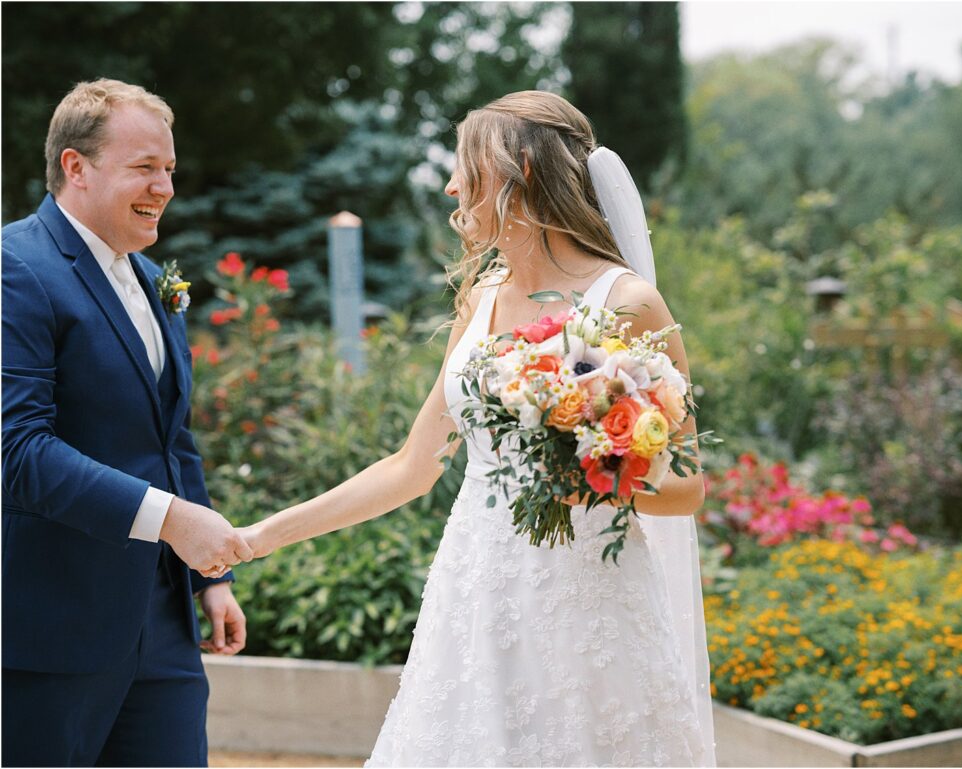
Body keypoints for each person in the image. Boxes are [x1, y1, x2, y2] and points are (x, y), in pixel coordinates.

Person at [238, 90, 717, 766]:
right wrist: (263, 535)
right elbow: (411, 465)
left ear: (518, 168)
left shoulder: (629, 303)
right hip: (474, 599)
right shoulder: (482, 298)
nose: (451, 184)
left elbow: (688, 485)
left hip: (587, 612)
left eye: (467, 166)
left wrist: (596, 479)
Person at [1, 78, 253, 767]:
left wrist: (209, 579)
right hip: (49, 630)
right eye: (145, 167)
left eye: (169, 168)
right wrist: (171, 518)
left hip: (162, 629)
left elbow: (172, 439)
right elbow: (15, 451)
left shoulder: (151, 279)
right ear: (76, 167)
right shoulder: (14, 266)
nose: (166, 186)